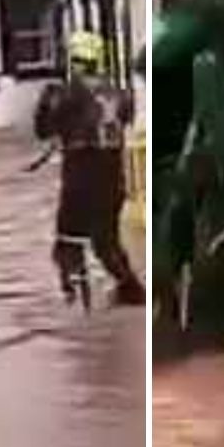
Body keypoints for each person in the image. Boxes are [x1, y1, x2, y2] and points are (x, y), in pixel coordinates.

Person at [34, 30, 144, 307]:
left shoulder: (67, 94)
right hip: (113, 178)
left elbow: (43, 130)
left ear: (76, 61)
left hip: (80, 177)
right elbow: (125, 122)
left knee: (67, 239)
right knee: (106, 241)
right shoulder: (119, 93)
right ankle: (131, 289)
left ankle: (74, 299)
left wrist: (46, 105)